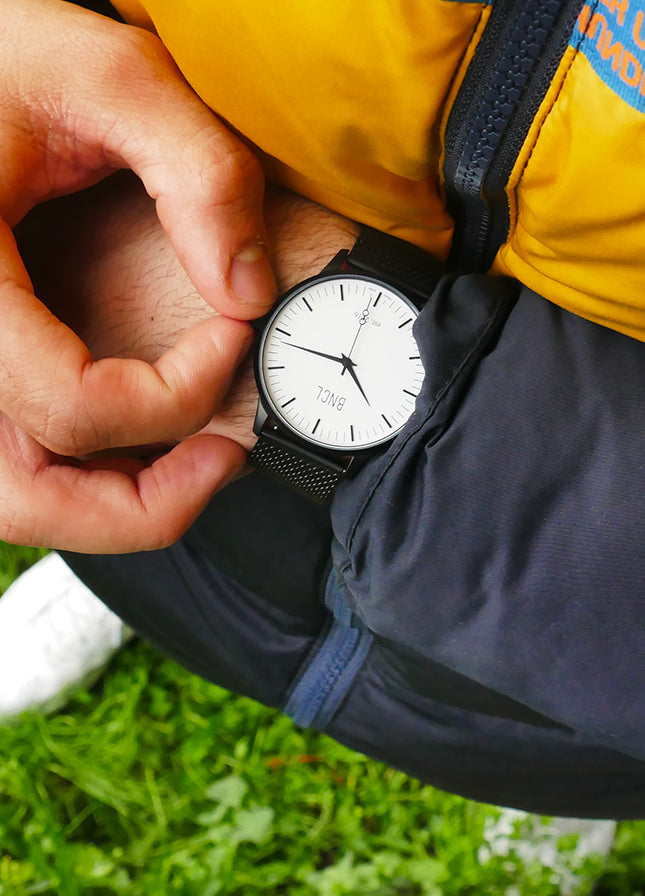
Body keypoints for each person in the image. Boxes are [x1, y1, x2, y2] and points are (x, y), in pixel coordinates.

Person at [2, 0, 645, 823]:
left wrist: (256, 308)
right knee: (153, 508)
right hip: (148, 414)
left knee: (523, 737)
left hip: (544, 603)